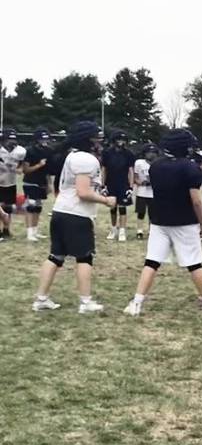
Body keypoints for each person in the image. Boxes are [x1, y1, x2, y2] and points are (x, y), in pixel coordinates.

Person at [124, 129, 202, 316]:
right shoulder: (191, 169)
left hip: (159, 221)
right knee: (194, 264)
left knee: (151, 262)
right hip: (185, 222)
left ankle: (136, 302)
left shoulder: (156, 166)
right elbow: (197, 201)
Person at [32, 121, 116, 314]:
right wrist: (106, 200)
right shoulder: (85, 159)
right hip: (76, 214)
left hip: (62, 211)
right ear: (88, 140)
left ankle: (41, 299)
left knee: (55, 256)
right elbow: (83, 192)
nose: (100, 143)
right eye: (97, 139)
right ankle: (86, 303)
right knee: (85, 257)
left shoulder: (74, 156)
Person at [102, 130, 135, 242]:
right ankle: (113, 229)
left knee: (122, 208)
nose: (121, 142)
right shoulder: (107, 153)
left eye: (123, 140)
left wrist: (131, 187)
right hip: (111, 183)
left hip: (123, 184)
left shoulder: (128, 154)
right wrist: (102, 185)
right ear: (114, 140)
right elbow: (104, 170)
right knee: (112, 207)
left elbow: (131, 171)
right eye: (118, 139)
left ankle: (122, 231)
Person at [22, 128, 53, 241]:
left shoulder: (48, 151)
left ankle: (35, 230)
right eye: (41, 139)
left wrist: (49, 184)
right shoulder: (30, 151)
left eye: (46, 139)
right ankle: (29, 233)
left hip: (42, 182)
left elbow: (48, 170)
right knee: (31, 206)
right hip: (30, 181)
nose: (44, 141)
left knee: (38, 207)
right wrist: (39, 165)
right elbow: (25, 170)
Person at [0, 129, 26, 238]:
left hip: (10, 182)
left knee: (8, 207)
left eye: (13, 139)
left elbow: (22, 164)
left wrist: (20, 168)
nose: (12, 142)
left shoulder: (20, 151)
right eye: (9, 139)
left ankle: (6, 229)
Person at [133, 143, 159, 239]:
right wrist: (141, 182)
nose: (151, 155)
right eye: (148, 152)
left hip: (153, 192)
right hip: (142, 191)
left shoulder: (158, 163)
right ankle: (139, 230)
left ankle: (151, 230)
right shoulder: (139, 163)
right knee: (141, 212)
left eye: (153, 152)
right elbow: (135, 177)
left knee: (153, 213)